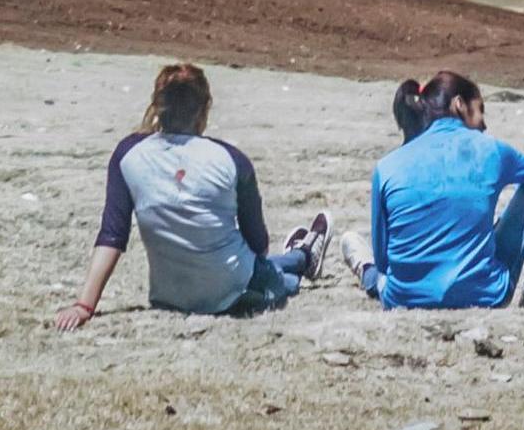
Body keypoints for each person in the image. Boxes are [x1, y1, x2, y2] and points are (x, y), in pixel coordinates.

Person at [57, 62, 332, 328]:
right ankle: (304, 256)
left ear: (156, 106)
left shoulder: (127, 155)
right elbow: (258, 244)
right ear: (204, 110)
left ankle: (302, 253)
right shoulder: (232, 160)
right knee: (283, 282)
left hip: (169, 296)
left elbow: (112, 236)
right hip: (233, 293)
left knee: (265, 267)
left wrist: (84, 305)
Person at [369, 70, 524, 309]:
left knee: (361, 252)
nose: (484, 124)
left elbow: (383, 262)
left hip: (402, 299)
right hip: (484, 294)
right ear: (459, 104)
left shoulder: (386, 167)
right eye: (480, 110)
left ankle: (364, 271)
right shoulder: (491, 150)